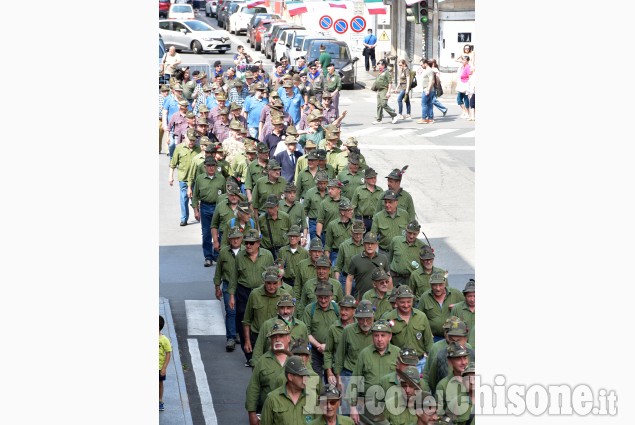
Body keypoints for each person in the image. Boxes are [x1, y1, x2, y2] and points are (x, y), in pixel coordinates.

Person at [228, 228, 275, 366]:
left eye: (251, 243)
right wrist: (231, 295)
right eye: (247, 243)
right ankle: (249, 354)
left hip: (262, 292)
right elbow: (234, 277)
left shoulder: (267, 256)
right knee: (243, 320)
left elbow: (274, 275)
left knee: (263, 319)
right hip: (244, 292)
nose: (248, 245)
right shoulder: (239, 257)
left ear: (258, 243)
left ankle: (265, 351)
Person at [348, 319, 400, 425]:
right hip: (368, 407)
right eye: (376, 335)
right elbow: (354, 381)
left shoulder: (398, 353)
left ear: (389, 337)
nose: (379, 339)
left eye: (383, 335)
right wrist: (353, 408)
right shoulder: (365, 354)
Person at [245, 319, 292, 422]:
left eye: (281, 336)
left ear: (288, 338)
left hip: (292, 414)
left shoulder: (297, 359)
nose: (277, 340)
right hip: (268, 414)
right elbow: (253, 388)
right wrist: (252, 414)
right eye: (274, 337)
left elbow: (312, 383)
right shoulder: (262, 361)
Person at [242, 266, 290, 364]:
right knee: (256, 365)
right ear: (264, 281)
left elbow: (290, 320)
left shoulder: (285, 296)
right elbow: (247, 320)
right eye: (268, 283)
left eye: (274, 283)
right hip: (257, 337)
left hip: (277, 338)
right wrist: (247, 341)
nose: (271, 286)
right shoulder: (254, 294)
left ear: (279, 282)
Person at [382, 285, 434, 374]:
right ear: (396, 301)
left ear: (412, 301)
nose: (406, 305)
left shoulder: (422, 317)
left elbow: (429, 343)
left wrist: (430, 363)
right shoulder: (388, 318)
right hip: (398, 363)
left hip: (420, 363)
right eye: (402, 302)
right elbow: (385, 344)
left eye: (408, 302)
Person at [252, 293, 309, 365]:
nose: (285, 311)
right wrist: (256, 369)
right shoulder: (267, 325)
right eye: (282, 308)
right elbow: (258, 351)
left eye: (288, 308)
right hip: (271, 367)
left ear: (293, 308)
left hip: (294, 369)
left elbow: (307, 352)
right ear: (278, 308)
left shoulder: (301, 326)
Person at [260, 355, 316, 425]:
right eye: (301, 376)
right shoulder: (272, 399)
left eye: (306, 375)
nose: (305, 379)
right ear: (290, 377)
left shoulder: (313, 397)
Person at [191, 156, 227, 266]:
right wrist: (196, 211)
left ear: (216, 167)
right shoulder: (200, 179)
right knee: (206, 233)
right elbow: (195, 196)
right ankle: (208, 256)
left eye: (213, 166)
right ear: (205, 167)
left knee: (220, 232)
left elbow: (226, 195)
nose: (211, 168)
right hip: (205, 207)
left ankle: (217, 255)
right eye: (209, 166)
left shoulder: (221, 179)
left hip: (218, 208)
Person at [303, 282, 341, 382]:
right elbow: (306, 331)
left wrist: (328, 346)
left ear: (331, 296)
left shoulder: (338, 309)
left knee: (334, 381)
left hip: (334, 351)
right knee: (315, 379)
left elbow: (342, 329)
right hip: (315, 351)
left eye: (326, 297)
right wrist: (318, 345)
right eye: (320, 297)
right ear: (316, 296)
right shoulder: (309, 309)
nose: (323, 300)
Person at [213, 226, 243, 351]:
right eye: (232, 239)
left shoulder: (246, 251)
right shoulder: (224, 252)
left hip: (242, 286)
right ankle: (230, 337)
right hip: (227, 284)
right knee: (230, 311)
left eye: (237, 238)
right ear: (229, 240)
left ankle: (238, 333)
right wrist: (217, 287)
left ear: (241, 239)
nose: (235, 241)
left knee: (241, 311)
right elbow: (218, 270)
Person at [416, 272, 465, 341]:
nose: (438, 288)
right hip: (434, 337)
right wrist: (426, 333)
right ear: (430, 285)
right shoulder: (424, 297)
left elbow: (467, 307)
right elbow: (419, 317)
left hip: (454, 336)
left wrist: (457, 307)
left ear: (445, 284)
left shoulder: (456, 294)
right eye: (434, 285)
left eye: (440, 285)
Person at [345, 231, 391, 300]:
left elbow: (389, 278)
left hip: (380, 299)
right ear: (363, 244)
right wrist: (348, 297)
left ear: (376, 245)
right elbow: (349, 279)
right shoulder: (355, 259)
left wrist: (389, 295)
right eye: (367, 243)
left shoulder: (383, 258)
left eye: (372, 243)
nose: (370, 246)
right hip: (361, 299)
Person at [169, 128, 201, 226]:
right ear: (185, 138)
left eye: (193, 140)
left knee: (196, 199)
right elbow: (173, 163)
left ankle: (199, 216)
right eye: (190, 139)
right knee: (184, 198)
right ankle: (184, 218)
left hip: (195, 179)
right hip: (183, 178)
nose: (192, 142)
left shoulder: (199, 149)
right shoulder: (179, 148)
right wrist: (170, 176)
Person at [388, 220, 427, 288]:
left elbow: (425, 266)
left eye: (414, 234)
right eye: (409, 233)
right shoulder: (396, 241)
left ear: (418, 233)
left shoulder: (422, 247)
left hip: (411, 280)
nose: (411, 236)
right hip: (395, 278)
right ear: (406, 231)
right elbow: (390, 258)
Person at [371, 190, 410, 256]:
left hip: (401, 252)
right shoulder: (378, 217)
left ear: (396, 202)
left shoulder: (405, 215)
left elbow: (409, 233)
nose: (387, 205)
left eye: (390, 202)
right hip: (384, 253)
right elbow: (372, 237)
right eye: (385, 202)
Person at [333, 219, 365, 291]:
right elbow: (338, 266)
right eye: (356, 233)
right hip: (345, 279)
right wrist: (337, 282)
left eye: (360, 233)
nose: (358, 236)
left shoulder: (366, 246)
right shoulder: (344, 246)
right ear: (351, 232)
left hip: (361, 280)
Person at [258, 194, 291, 259]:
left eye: (271, 207)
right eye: (268, 207)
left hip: (282, 250)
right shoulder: (261, 219)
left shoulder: (285, 217)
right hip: (267, 251)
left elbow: (290, 232)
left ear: (277, 206)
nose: (269, 210)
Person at [324, 199, 354, 267]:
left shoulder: (355, 224)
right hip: (336, 255)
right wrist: (327, 260)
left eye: (352, 209)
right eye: (349, 210)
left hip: (352, 255)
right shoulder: (332, 225)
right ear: (342, 212)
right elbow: (328, 246)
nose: (352, 212)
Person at [303, 169, 329, 241]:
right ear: (317, 182)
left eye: (324, 183)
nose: (323, 185)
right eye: (320, 183)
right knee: (315, 245)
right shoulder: (310, 193)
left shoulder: (330, 193)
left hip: (327, 222)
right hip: (314, 222)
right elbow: (304, 209)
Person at [372, 59, 399, 125]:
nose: (378, 66)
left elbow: (390, 82)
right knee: (379, 105)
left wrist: (388, 92)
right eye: (378, 65)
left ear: (383, 65)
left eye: (380, 65)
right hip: (379, 90)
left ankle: (394, 115)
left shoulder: (386, 72)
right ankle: (379, 120)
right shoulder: (380, 72)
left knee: (383, 104)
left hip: (384, 90)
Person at [159, 315, 172, 412]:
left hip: (159, 367)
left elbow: (168, 353)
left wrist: (164, 368)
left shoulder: (164, 340)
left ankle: (159, 401)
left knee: (159, 384)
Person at [417, 59, 436, 124]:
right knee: (429, 104)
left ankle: (424, 118)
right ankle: (430, 119)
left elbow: (432, 81)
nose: (421, 66)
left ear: (425, 63)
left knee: (424, 104)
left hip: (427, 90)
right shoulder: (428, 70)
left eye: (421, 65)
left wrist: (428, 90)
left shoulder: (429, 70)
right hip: (428, 89)